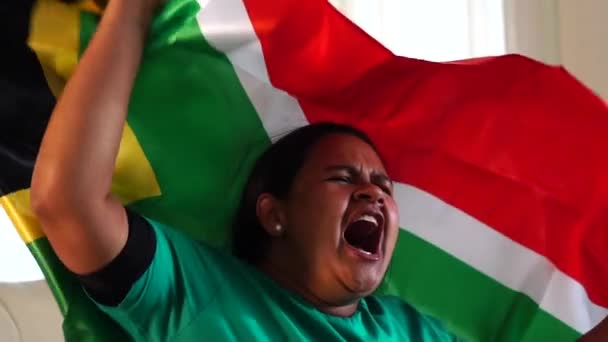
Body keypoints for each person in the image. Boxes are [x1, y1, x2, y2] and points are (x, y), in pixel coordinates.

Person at [29, 0, 607, 341]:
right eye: (344, 178)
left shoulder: (408, 331)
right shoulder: (199, 292)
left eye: (383, 185)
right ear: (273, 213)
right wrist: (132, 14)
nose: (375, 195)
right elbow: (68, 206)